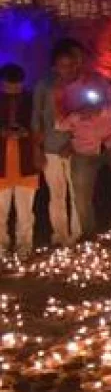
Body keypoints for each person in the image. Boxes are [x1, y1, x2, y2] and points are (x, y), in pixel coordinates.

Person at [57, 65, 111, 238]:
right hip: (84, 148)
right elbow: (60, 124)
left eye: (74, 62)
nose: (71, 68)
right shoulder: (62, 91)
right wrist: (77, 114)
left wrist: (101, 107)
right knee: (82, 193)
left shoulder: (97, 80)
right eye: (66, 65)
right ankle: (88, 233)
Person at [32, 39, 83, 246]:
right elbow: (37, 117)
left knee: (79, 193)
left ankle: (78, 235)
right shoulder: (44, 86)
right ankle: (60, 236)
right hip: (51, 148)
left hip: (77, 148)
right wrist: (36, 148)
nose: (67, 70)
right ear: (54, 66)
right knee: (57, 194)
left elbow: (88, 120)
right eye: (62, 65)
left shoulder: (81, 86)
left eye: (70, 65)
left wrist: (73, 143)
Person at [1, 64, 40, 258]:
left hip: (27, 162)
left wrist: (27, 132)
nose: (13, 91)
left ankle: (24, 247)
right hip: (1, 166)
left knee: (25, 212)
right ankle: (2, 246)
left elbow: (40, 126)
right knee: (0, 213)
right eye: (9, 87)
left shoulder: (31, 100)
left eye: (17, 87)